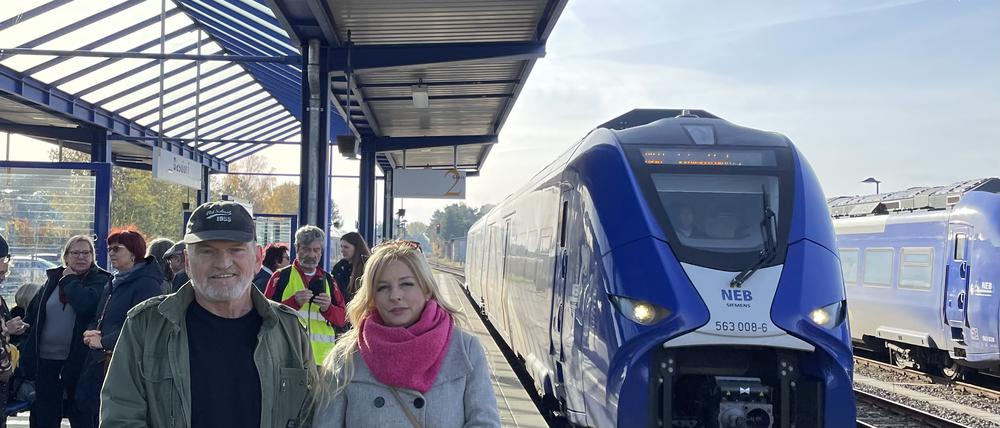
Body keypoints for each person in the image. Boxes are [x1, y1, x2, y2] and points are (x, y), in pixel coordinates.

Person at [100, 201, 316, 427]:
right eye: (207, 251)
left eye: (236, 249)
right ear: (187, 262)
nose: (222, 263)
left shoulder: (289, 330)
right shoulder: (146, 326)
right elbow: (120, 417)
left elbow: (309, 416)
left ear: (257, 258)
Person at [314, 240, 499, 427]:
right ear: (372, 298)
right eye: (382, 287)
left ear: (427, 289)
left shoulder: (465, 349)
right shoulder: (346, 358)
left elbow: (484, 422)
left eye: (407, 284)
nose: (395, 296)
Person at [20, 235, 111, 428]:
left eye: (86, 253)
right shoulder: (53, 280)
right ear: (66, 257)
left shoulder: (101, 280)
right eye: (75, 253)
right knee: (44, 417)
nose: (81, 257)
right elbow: (35, 315)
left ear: (93, 256)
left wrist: (70, 280)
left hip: (80, 363)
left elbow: (85, 304)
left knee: (82, 416)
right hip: (47, 362)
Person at [76, 228, 164, 425]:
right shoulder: (114, 281)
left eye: (117, 248)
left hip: (124, 365)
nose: (111, 253)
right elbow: (101, 316)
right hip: (99, 361)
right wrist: (91, 333)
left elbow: (145, 327)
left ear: (133, 253)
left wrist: (104, 341)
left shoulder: (147, 284)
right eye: (109, 249)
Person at [264, 226, 347, 364]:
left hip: (323, 360)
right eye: (306, 249)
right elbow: (265, 314)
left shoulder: (329, 280)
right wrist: (293, 303)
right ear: (297, 248)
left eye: (316, 250)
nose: (312, 255)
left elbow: (343, 319)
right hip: (289, 358)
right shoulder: (281, 277)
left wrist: (328, 309)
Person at [331, 232, 370, 306]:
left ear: (356, 248)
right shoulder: (339, 268)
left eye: (346, 247)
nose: (342, 250)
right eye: (341, 247)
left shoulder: (367, 267)